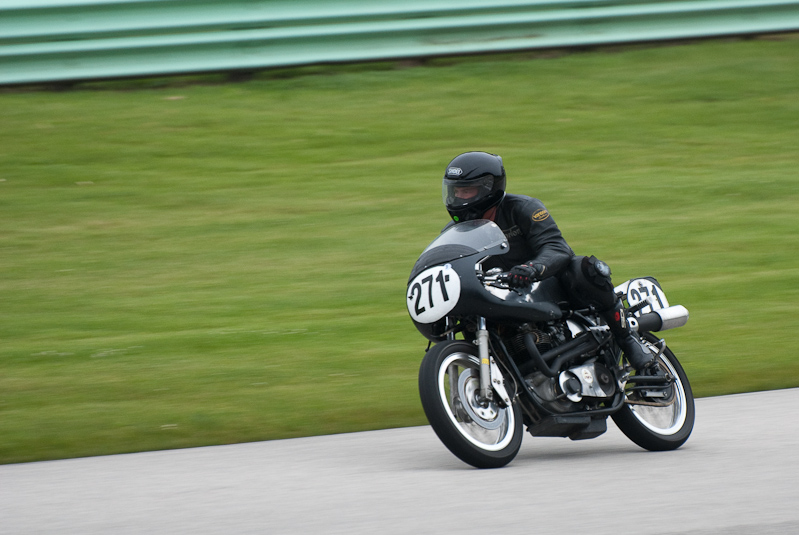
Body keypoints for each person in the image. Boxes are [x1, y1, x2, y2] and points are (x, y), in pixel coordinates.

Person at [441, 151, 655, 371]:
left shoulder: (523, 208)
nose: (459, 198)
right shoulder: (455, 233)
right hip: (500, 297)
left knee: (585, 268)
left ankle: (626, 338)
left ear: (488, 188)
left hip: (548, 287)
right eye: (455, 191)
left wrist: (532, 268)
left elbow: (556, 247)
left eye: (466, 191)